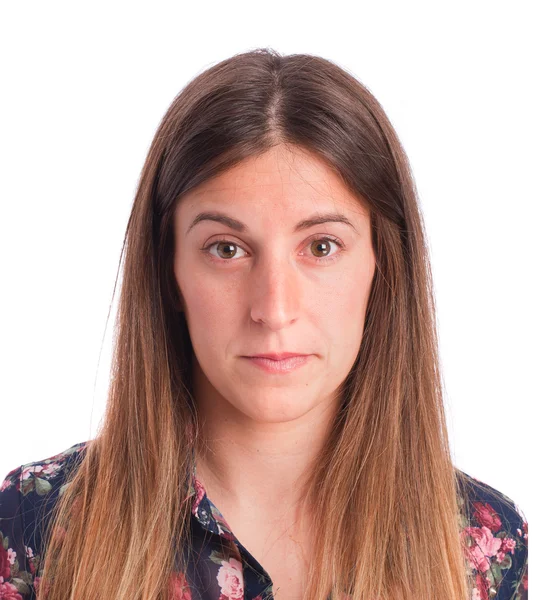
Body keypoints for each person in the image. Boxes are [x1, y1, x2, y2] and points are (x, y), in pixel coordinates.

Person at [0, 48, 528, 600]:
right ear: (167, 269)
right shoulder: (35, 525)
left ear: (383, 267)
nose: (274, 309)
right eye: (227, 249)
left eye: (321, 247)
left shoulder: (485, 548)